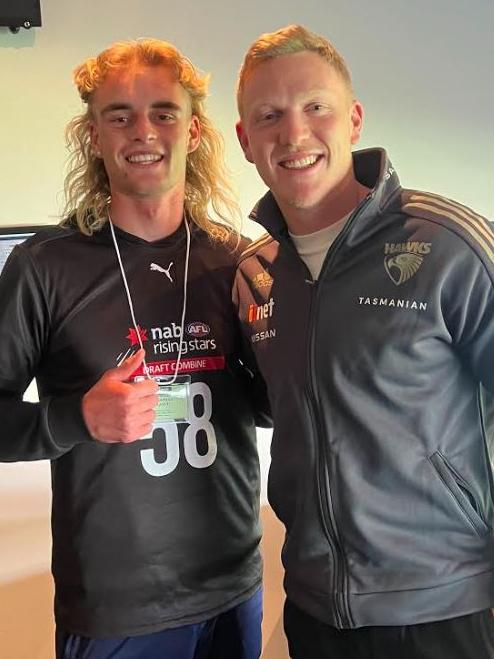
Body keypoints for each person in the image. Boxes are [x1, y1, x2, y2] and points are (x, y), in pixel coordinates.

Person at [0, 38, 269, 659]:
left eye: (163, 112)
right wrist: (78, 418)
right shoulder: (44, 269)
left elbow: (260, 406)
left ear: (194, 131)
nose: (142, 130)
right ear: (94, 135)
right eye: (119, 114)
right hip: (119, 606)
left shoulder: (236, 261)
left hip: (233, 584)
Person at [233, 23, 494, 659]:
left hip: (447, 607)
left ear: (352, 119)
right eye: (269, 116)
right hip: (317, 613)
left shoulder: (447, 244)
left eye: (314, 107)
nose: (293, 134)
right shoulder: (254, 274)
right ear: (244, 140)